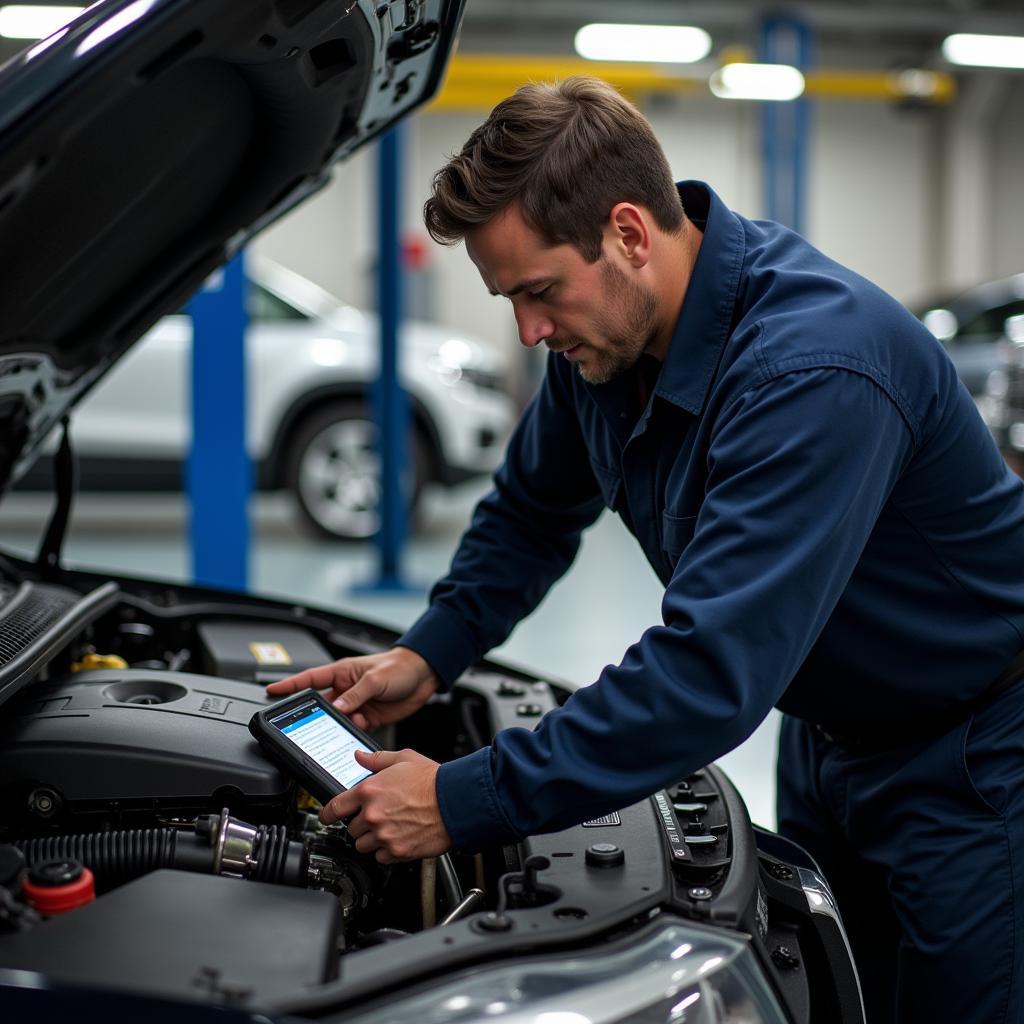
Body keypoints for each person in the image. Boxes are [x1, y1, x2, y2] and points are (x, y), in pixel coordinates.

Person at [268, 77, 1024, 1022]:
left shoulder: (812, 371)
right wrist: (430, 653)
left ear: (629, 232)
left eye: (539, 292)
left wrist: (464, 799)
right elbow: (531, 510)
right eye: (510, 300)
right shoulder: (602, 347)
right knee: (841, 997)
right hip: (829, 734)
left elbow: (708, 674)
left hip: (971, 758)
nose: (529, 331)